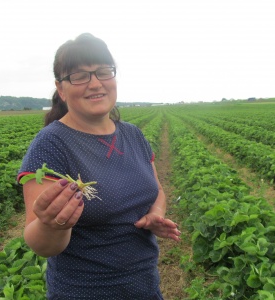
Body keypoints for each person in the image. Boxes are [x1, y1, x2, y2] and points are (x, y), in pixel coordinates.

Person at [17, 33, 181, 300]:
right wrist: (51, 225)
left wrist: (156, 213)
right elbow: (41, 244)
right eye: (79, 76)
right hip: (84, 291)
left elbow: (157, 190)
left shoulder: (133, 135)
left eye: (103, 72)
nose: (95, 83)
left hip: (145, 285)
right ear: (61, 89)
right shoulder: (51, 143)